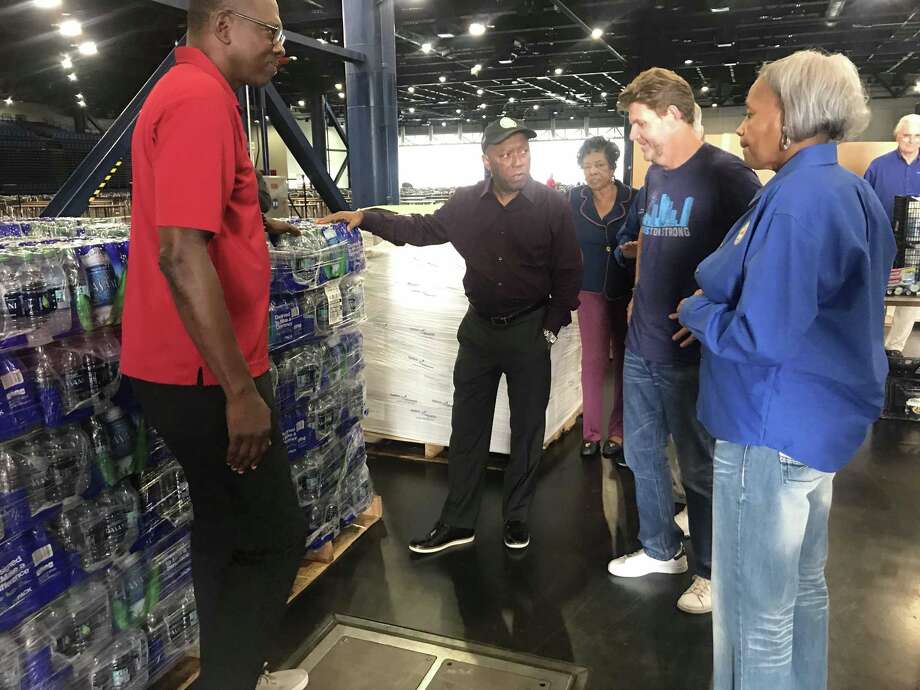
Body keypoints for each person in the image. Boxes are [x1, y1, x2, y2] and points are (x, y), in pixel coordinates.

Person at [675, 50, 895, 690]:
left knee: (754, 614)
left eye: (751, 113)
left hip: (766, 430)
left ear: (793, 118)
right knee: (801, 590)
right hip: (814, 426)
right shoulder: (849, 191)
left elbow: (760, 334)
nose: (742, 128)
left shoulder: (797, 202)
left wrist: (697, 310)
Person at [120, 2, 308, 689]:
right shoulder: (199, 100)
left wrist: (254, 224)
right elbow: (179, 254)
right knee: (276, 536)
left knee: (224, 527)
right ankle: (233, 678)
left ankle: (234, 671)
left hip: (184, 368)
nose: (280, 47)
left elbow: (199, 222)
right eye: (271, 30)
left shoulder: (191, 91)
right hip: (206, 376)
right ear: (225, 25)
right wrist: (239, 391)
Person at [318, 118, 583, 554]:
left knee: (527, 428)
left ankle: (517, 516)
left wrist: (550, 329)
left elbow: (569, 271)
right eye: (507, 154)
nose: (518, 161)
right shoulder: (466, 203)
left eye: (523, 151)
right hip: (479, 331)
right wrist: (367, 218)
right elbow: (421, 229)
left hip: (529, 330)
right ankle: (459, 521)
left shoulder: (551, 206)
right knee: (467, 429)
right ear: (487, 160)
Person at [606, 68, 761, 617]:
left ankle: (712, 573)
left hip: (690, 353)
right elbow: (647, 238)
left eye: (640, 124)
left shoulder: (728, 175)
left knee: (699, 468)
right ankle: (660, 550)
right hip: (642, 343)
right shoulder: (655, 176)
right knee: (641, 454)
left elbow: (757, 255)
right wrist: (637, 293)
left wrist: (710, 308)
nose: (634, 136)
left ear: (673, 114)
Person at [569, 137, 635, 460]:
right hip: (589, 289)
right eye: (587, 166)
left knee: (624, 361)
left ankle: (618, 431)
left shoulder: (633, 198)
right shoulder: (574, 199)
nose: (592, 172)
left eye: (599, 165)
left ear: (612, 167)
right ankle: (591, 434)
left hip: (625, 290)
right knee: (592, 361)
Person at [864, 113, 920, 353]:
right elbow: (863, 202)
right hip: (881, 239)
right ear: (897, 136)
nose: (911, 140)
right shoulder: (878, 166)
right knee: (877, 292)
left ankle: (894, 348)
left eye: (917, 136)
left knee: (910, 295)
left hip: (915, 244)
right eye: (906, 135)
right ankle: (873, 346)